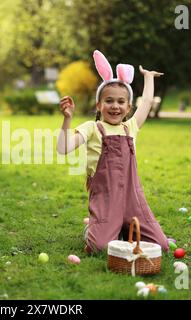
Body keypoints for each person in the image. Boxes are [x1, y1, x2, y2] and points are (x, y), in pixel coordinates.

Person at [57, 50, 169, 253]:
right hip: (105, 199)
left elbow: (147, 103)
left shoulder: (131, 127)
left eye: (120, 102)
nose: (115, 106)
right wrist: (67, 119)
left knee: (161, 246)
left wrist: (149, 78)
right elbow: (63, 148)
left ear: (128, 107)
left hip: (132, 199)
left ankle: (123, 229)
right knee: (99, 247)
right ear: (99, 105)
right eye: (109, 101)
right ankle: (97, 229)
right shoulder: (92, 128)